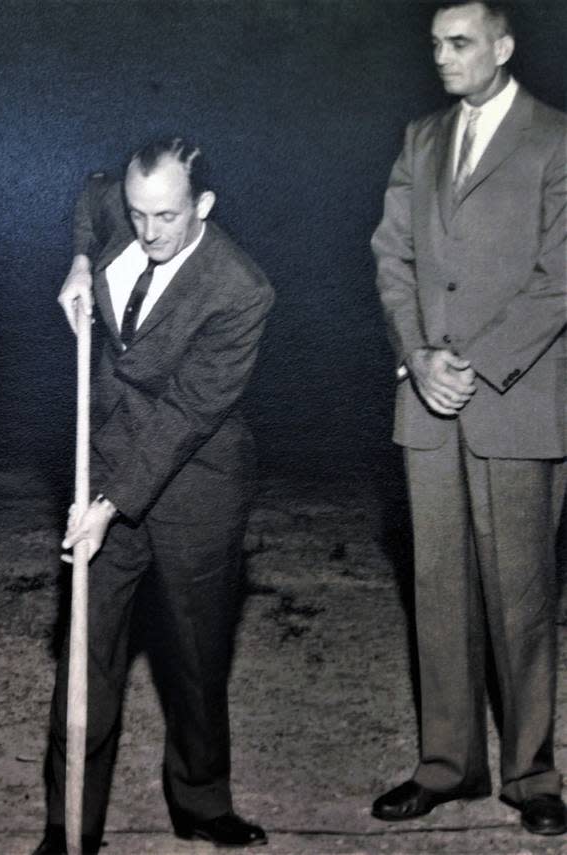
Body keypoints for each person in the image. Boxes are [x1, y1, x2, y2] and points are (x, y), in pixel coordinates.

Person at [34, 138, 274, 854]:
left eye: (166, 217)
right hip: (103, 460)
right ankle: (70, 820)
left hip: (195, 479)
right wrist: (81, 260)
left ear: (202, 205)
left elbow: (185, 417)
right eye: (138, 215)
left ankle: (200, 798)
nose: (148, 231)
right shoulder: (121, 206)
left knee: (197, 652)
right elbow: (91, 193)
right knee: (89, 647)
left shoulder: (241, 289)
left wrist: (108, 507)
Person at [370, 0, 567, 837]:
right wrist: (419, 358)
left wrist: (474, 363)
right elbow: (392, 255)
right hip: (428, 398)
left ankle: (532, 774)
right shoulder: (420, 138)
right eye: (436, 45)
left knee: (520, 594)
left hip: (514, 400)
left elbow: (560, 276)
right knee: (439, 589)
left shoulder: (557, 138)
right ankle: (447, 764)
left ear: (503, 45)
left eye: (460, 44)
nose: (443, 58)